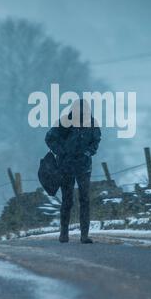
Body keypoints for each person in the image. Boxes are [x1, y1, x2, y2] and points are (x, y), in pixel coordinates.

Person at [45, 99, 101, 243]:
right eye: (79, 111)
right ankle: (65, 234)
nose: (81, 114)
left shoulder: (92, 123)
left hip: (82, 166)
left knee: (82, 200)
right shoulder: (65, 122)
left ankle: (82, 235)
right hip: (68, 166)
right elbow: (50, 138)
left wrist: (89, 152)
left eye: (84, 111)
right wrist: (61, 151)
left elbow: (96, 141)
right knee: (69, 200)